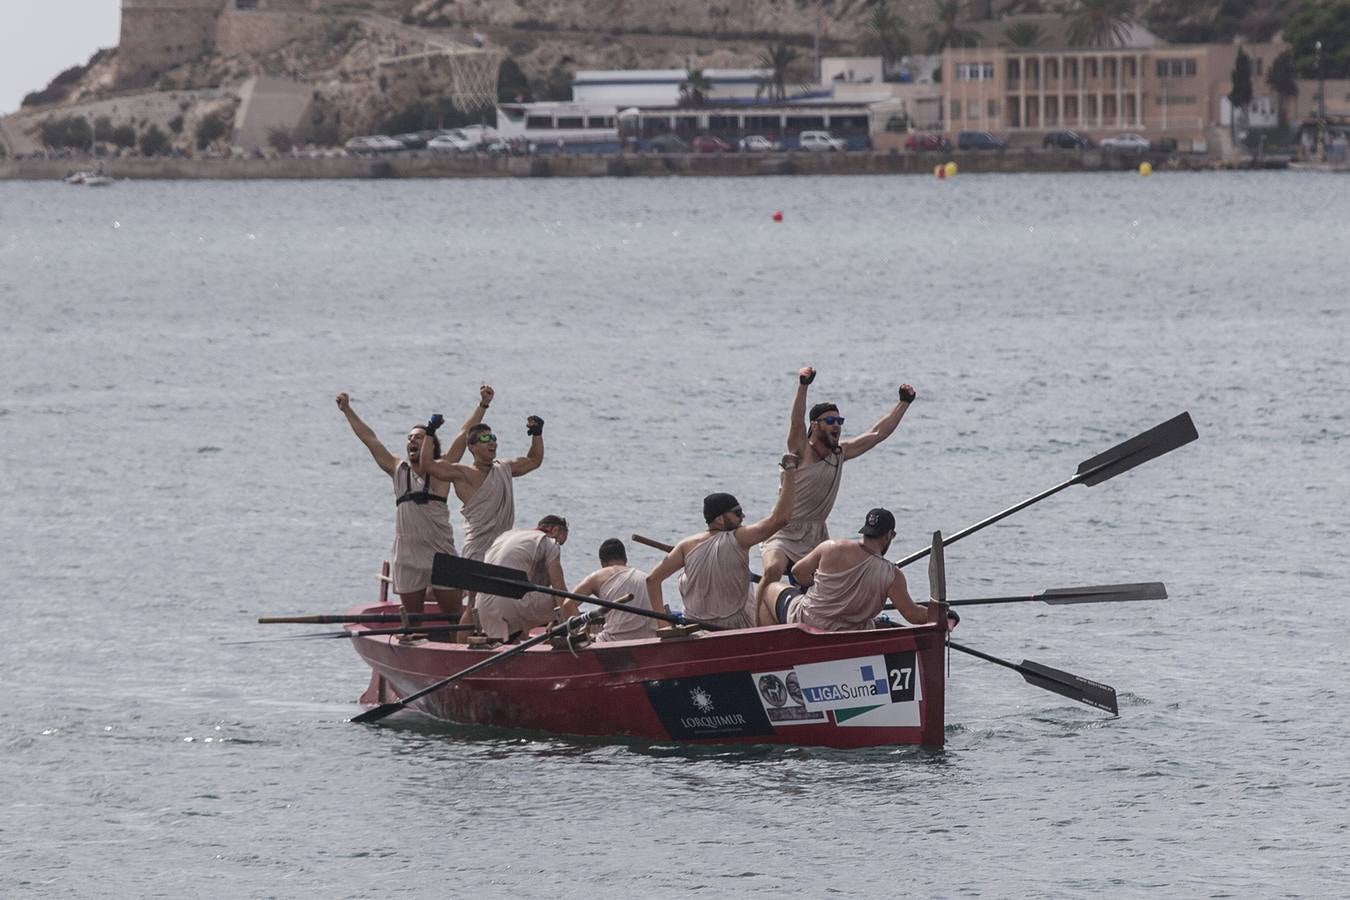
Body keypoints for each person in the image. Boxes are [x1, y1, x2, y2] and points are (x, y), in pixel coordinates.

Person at [754, 367, 917, 625]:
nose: (837, 426)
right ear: (815, 425)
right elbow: (796, 422)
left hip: (816, 534)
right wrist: (803, 386)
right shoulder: (800, 450)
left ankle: (820, 625)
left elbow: (878, 434)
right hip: (785, 531)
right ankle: (756, 627)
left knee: (826, 585)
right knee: (773, 570)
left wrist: (903, 404)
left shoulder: (841, 453)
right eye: (830, 421)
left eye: (840, 421)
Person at [336, 392, 468, 639]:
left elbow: (463, 435)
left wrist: (483, 405)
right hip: (408, 555)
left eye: (418, 437)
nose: (412, 441)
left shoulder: (442, 469)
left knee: (455, 616)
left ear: (431, 443)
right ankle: (415, 645)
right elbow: (369, 439)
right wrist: (347, 410)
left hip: (441, 552)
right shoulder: (398, 469)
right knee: (414, 619)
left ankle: (457, 649)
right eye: (409, 438)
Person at [646, 441, 802, 631]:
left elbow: (652, 580)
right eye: (737, 513)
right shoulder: (738, 537)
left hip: (694, 628)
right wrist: (789, 470)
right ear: (719, 519)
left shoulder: (685, 546)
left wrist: (663, 625)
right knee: (768, 590)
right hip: (735, 628)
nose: (743, 517)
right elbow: (780, 519)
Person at [763, 508, 957, 632]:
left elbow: (798, 572)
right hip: (851, 632)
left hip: (809, 621)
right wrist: (942, 613)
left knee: (768, 590)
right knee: (875, 622)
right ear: (889, 535)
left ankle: (772, 653)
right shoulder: (892, 575)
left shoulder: (831, 547)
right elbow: (912, 614)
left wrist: (815, 582)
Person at [475, 516, 577, 641]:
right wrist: (564, 621)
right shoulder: (549, 542)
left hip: (482, 605)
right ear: (555, 530)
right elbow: (559, 589)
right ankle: (575, 637)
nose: (558, 545)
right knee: (567, 602)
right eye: (560, 541)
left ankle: (518, 639)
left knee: (524, 601)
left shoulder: (507, 536)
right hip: (509, 602)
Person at [571, 539, 661, 643]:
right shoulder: (646, 578)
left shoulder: (598, 576)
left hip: (613, 641)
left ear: (602, 563)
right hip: (650, 639)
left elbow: (568, 604)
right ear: (626, 559)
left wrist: (581, 633)